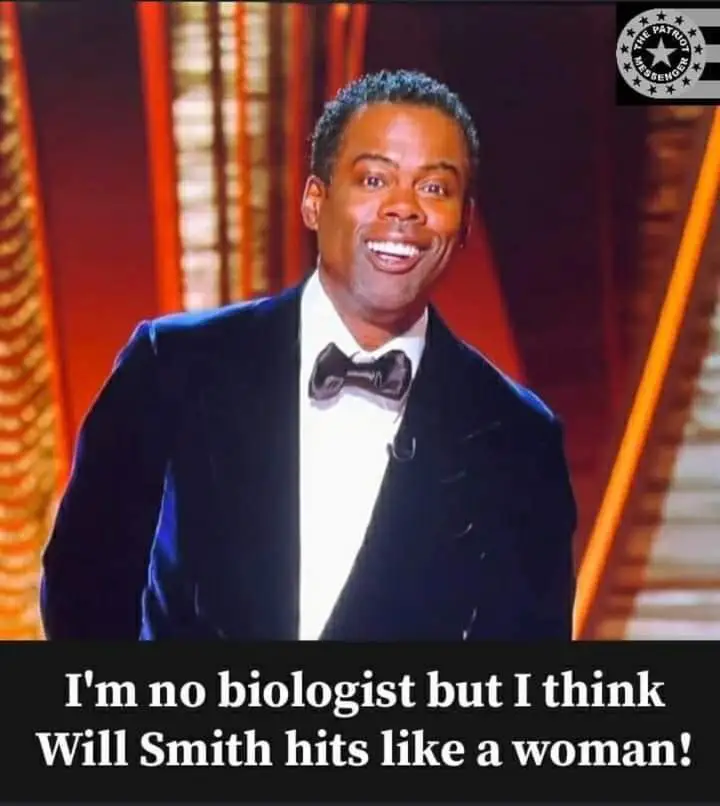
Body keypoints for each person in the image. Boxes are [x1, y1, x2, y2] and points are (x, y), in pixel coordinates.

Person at [40, 69, 577, 641]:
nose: (404, 208)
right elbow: (83, 585)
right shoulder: (171, 366)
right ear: (315, 201)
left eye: (435, 188)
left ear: (464, 222)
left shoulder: (519, 438)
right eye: (374, 179)